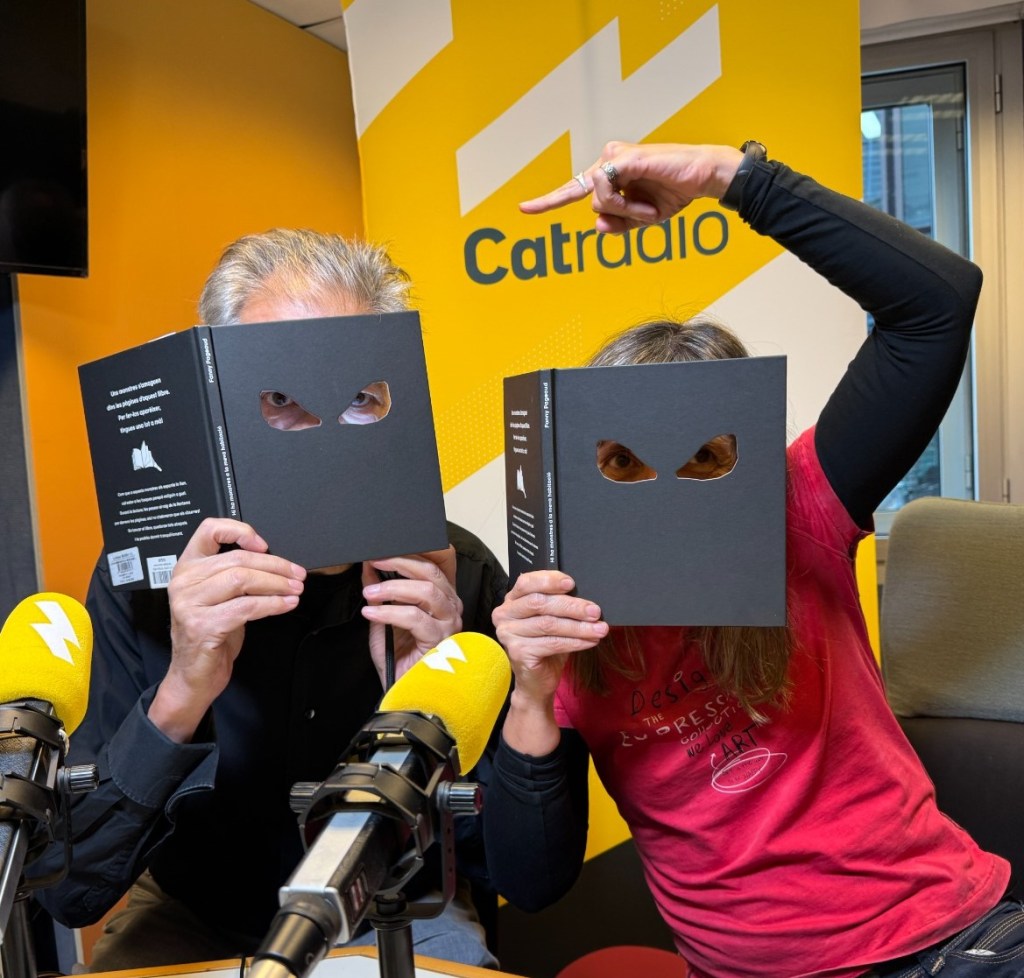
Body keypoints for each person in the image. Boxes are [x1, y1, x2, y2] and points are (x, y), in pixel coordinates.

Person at [483, 141, 1023, 978]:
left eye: (704, 457)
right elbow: (530, 884)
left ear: (745, 458)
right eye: (624, 462)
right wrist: (530, 693)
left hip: (939, 943)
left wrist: (733, 179)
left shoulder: (798, 508)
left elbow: (937, 304)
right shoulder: (568, 621)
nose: (666, 491)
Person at [33, 229, 506, 970]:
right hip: (197, 911)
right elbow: (72, 891)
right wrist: (182, 689)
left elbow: (514, 870)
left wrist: (434, 707)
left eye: (358, 397)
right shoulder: (147, 579)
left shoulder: (455, 573)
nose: (319, 428)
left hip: (392, 907)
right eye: (281, 398)